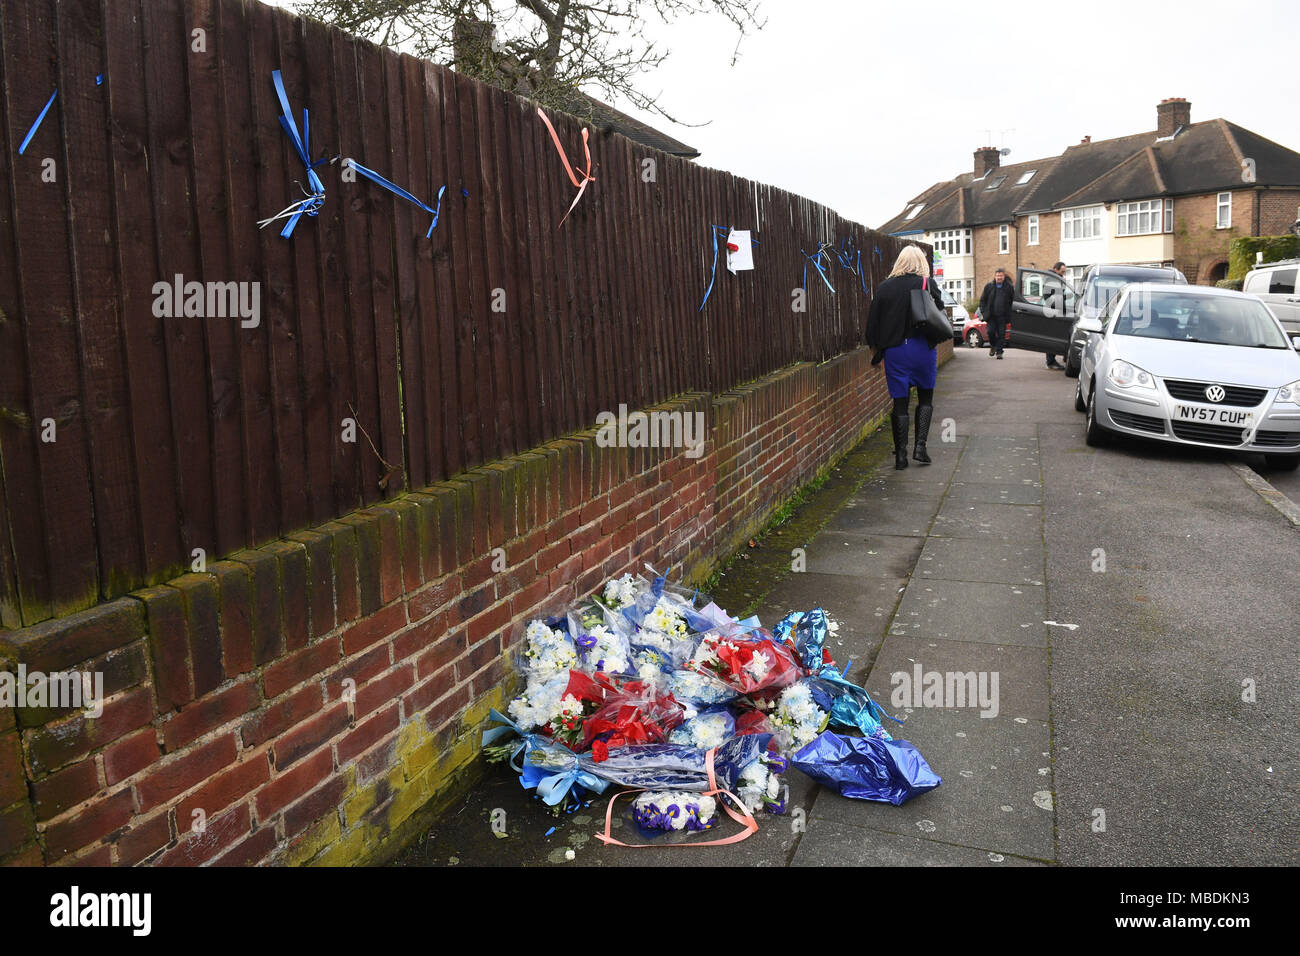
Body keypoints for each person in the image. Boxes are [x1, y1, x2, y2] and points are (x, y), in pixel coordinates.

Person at [866, 246, 945, 470]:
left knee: (900, 403)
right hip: (923, 349)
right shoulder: (927, 284)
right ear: (921, 262)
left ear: (899, 262)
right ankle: (920, 447)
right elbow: (939, 311)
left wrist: (875, 353)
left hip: (896, 351)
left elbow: (873, 323)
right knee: (925, 398)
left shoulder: (885, 287)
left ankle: (900, 456)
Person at [978, 267, 1017, 359]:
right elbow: (982, 300)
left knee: (1001, 335)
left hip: (1003, 316)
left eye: (1001, 276)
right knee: (990, 332)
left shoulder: (1009, 287)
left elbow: (1013, 301)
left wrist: (1011, 313)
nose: (999, 277)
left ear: (1004, 277)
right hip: (991, 316)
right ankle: (993, 345)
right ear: (995, 276)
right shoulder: (989, 286)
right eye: (997, 276)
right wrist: (983, 311)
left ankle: (999, 352)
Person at [1044, 261, 1067, 369]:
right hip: (1054, 311)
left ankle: (1061, 357)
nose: (1063, 274)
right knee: (1053, 337)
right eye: (1062, 271)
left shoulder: (1057, 279)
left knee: (1058, 336)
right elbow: (1049, 296)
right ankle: (1051, 361)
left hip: (1057, 310)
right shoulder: (1051, 280)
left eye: (1064, 272)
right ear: (1055, 269)